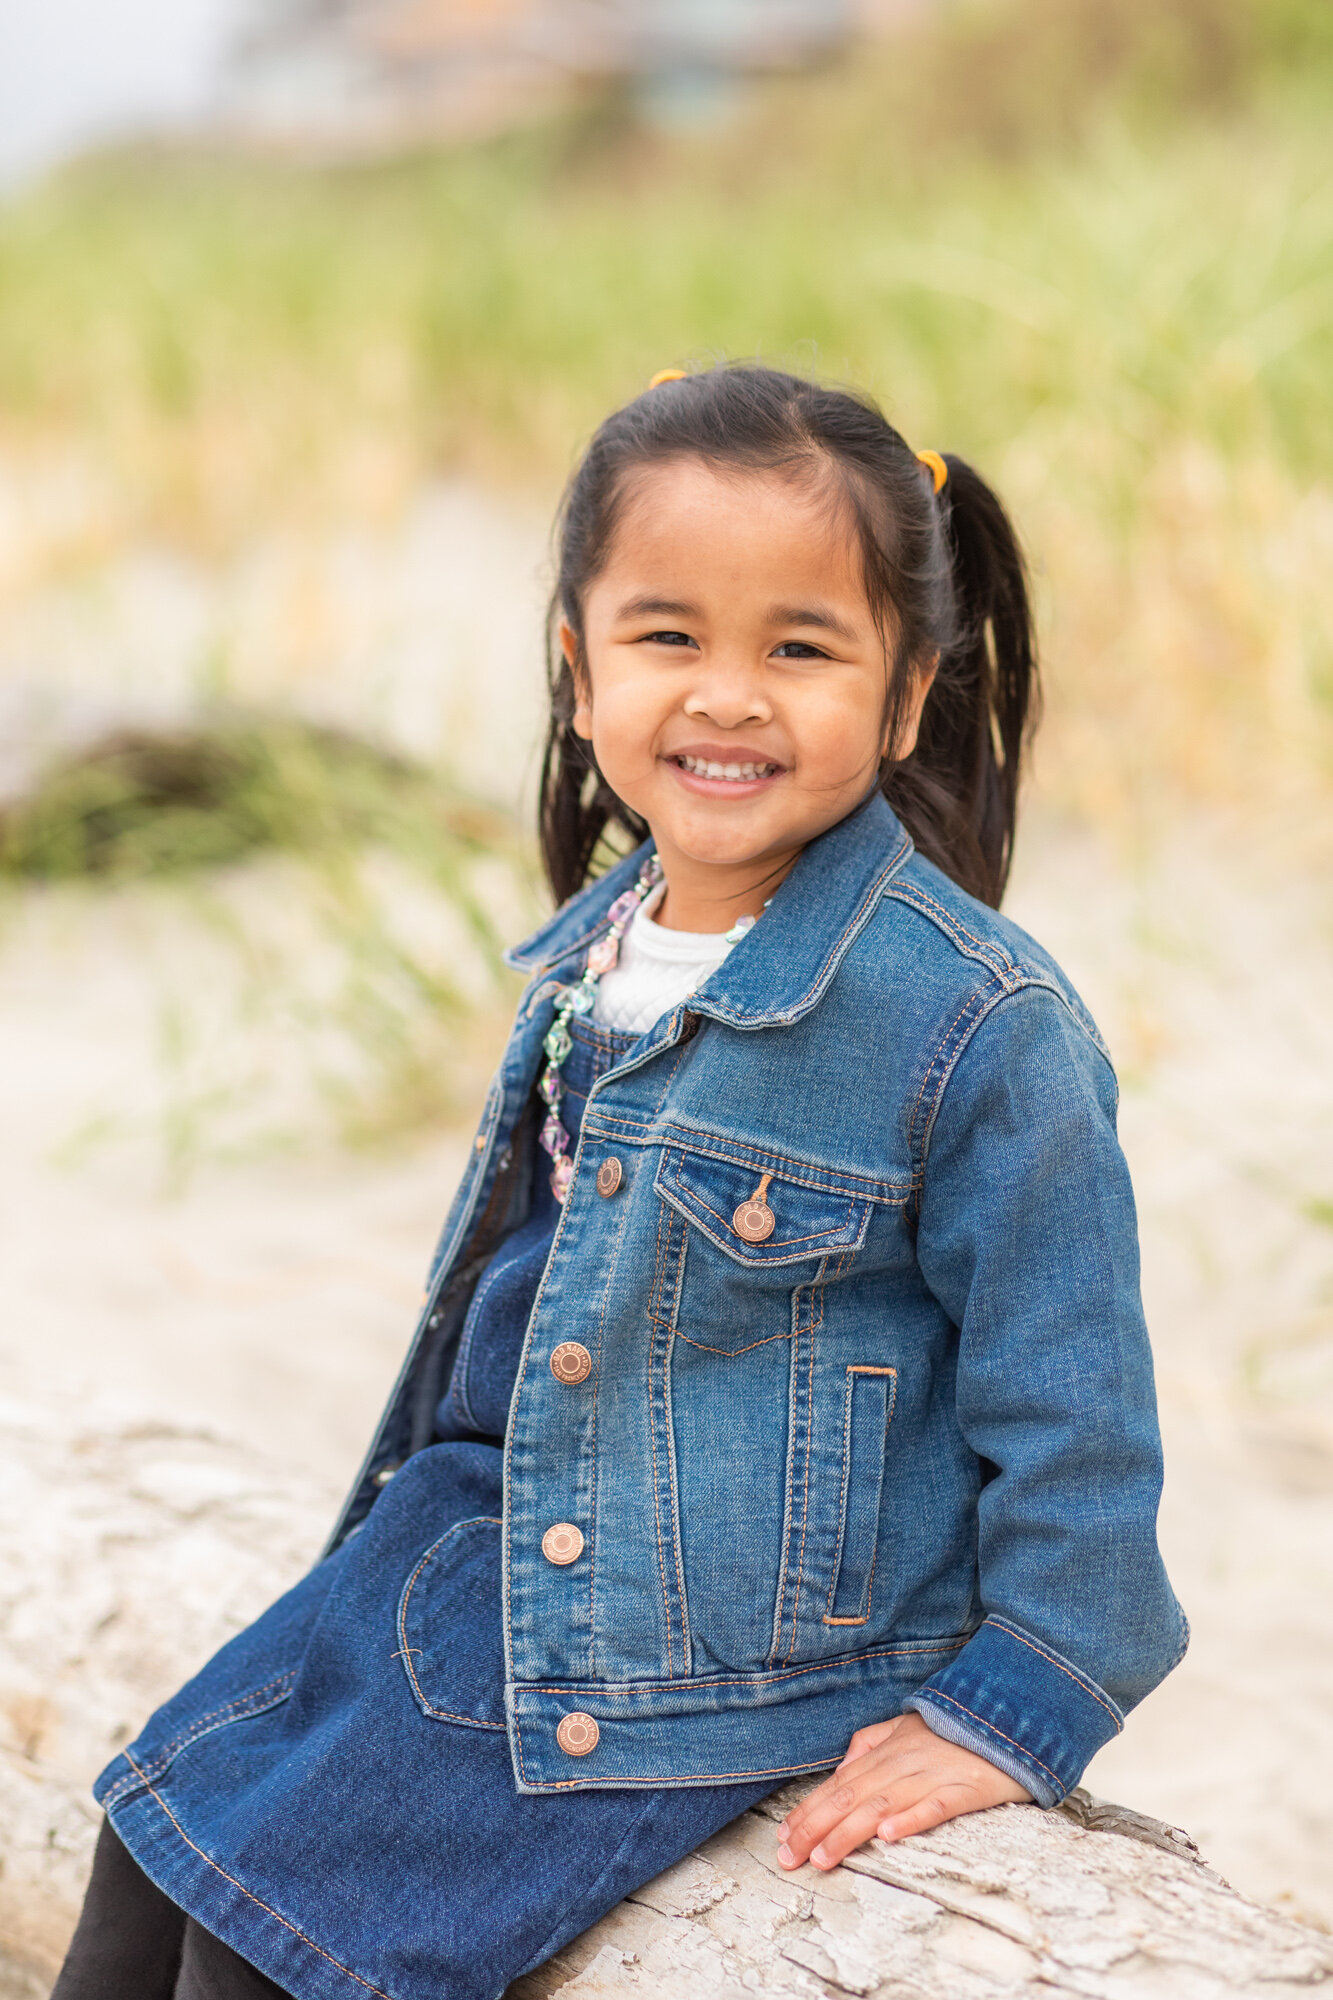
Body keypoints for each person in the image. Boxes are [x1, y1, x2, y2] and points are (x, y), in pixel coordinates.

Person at [54, 365, 1186, 2000]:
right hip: (485, 1543)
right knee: (147, 1833)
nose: (727, 697)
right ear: (578, 675)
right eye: (669, 638)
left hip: (717, 1645)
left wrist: (1017, 1704)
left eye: (798, 649)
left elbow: (1077, 1408)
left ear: (904, 696)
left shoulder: (971, 1022)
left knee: (277, 1941)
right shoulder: (600, 949)